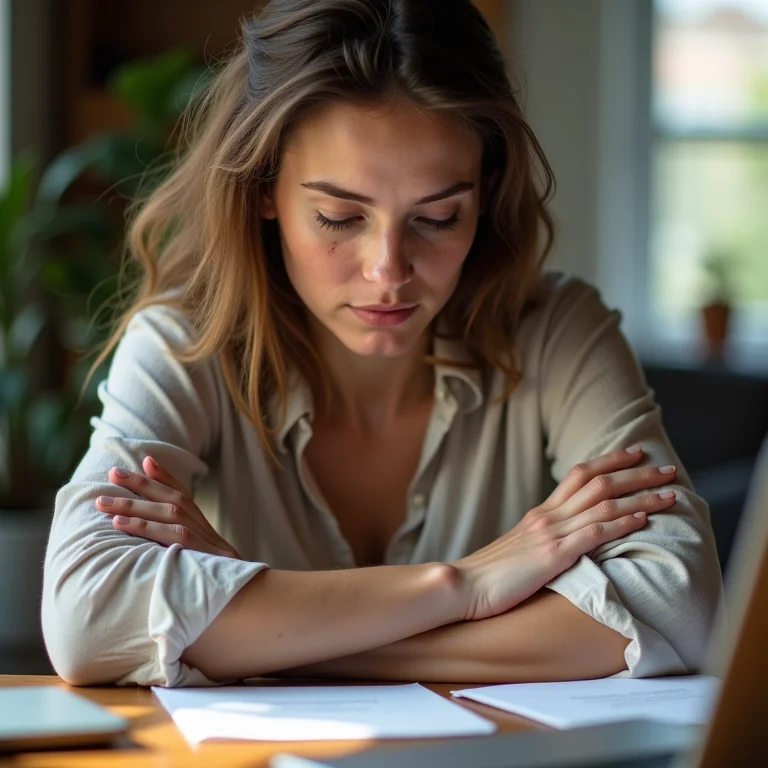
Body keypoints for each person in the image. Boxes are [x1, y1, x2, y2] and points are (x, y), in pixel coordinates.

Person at [42, 0, 723, 688]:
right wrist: (462, 585)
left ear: (485, 195)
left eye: (437, 216)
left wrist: (280, 634)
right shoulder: (186, 345)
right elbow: (86, 619)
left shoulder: (557, 331)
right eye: (339, 216)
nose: (389, 271)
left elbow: (678, 604)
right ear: (263, 188)